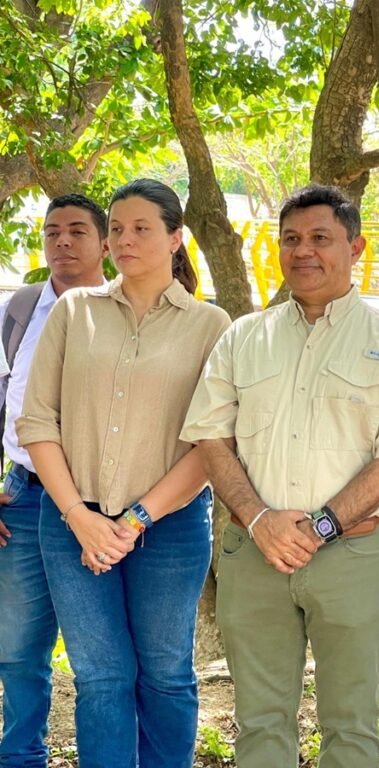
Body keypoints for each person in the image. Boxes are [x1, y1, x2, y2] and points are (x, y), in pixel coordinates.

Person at [180, 184, 379, 768]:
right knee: (261, 724)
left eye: (321, 238)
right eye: (291, 239)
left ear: (356, 247)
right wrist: (261, 520)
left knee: (351, 726)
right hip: (254, 555)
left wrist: (316, 528)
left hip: (352, 557)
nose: (304, 251)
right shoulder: (243, 338)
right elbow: (211, 439)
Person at [16, 179, 231, 768]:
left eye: (141, 227)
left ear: (175, 237)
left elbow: (210, 443)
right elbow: (38, 421)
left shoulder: (211, 326)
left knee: (165, 672)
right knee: (101, 675)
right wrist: (81, 518)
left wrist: (134, 520)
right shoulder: (73, 311)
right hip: (70, 523)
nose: (125, 238)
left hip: (170, 529)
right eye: (116, 228)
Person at [0, 194, 108, 768]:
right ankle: (19, 757)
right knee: (17, 649)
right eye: (52, 232)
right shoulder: (18, 311)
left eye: (77, 231)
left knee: (100, 659)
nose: (62, 241)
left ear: (105, 244)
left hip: (97, 505)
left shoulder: (119, 310)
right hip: (22, 495)